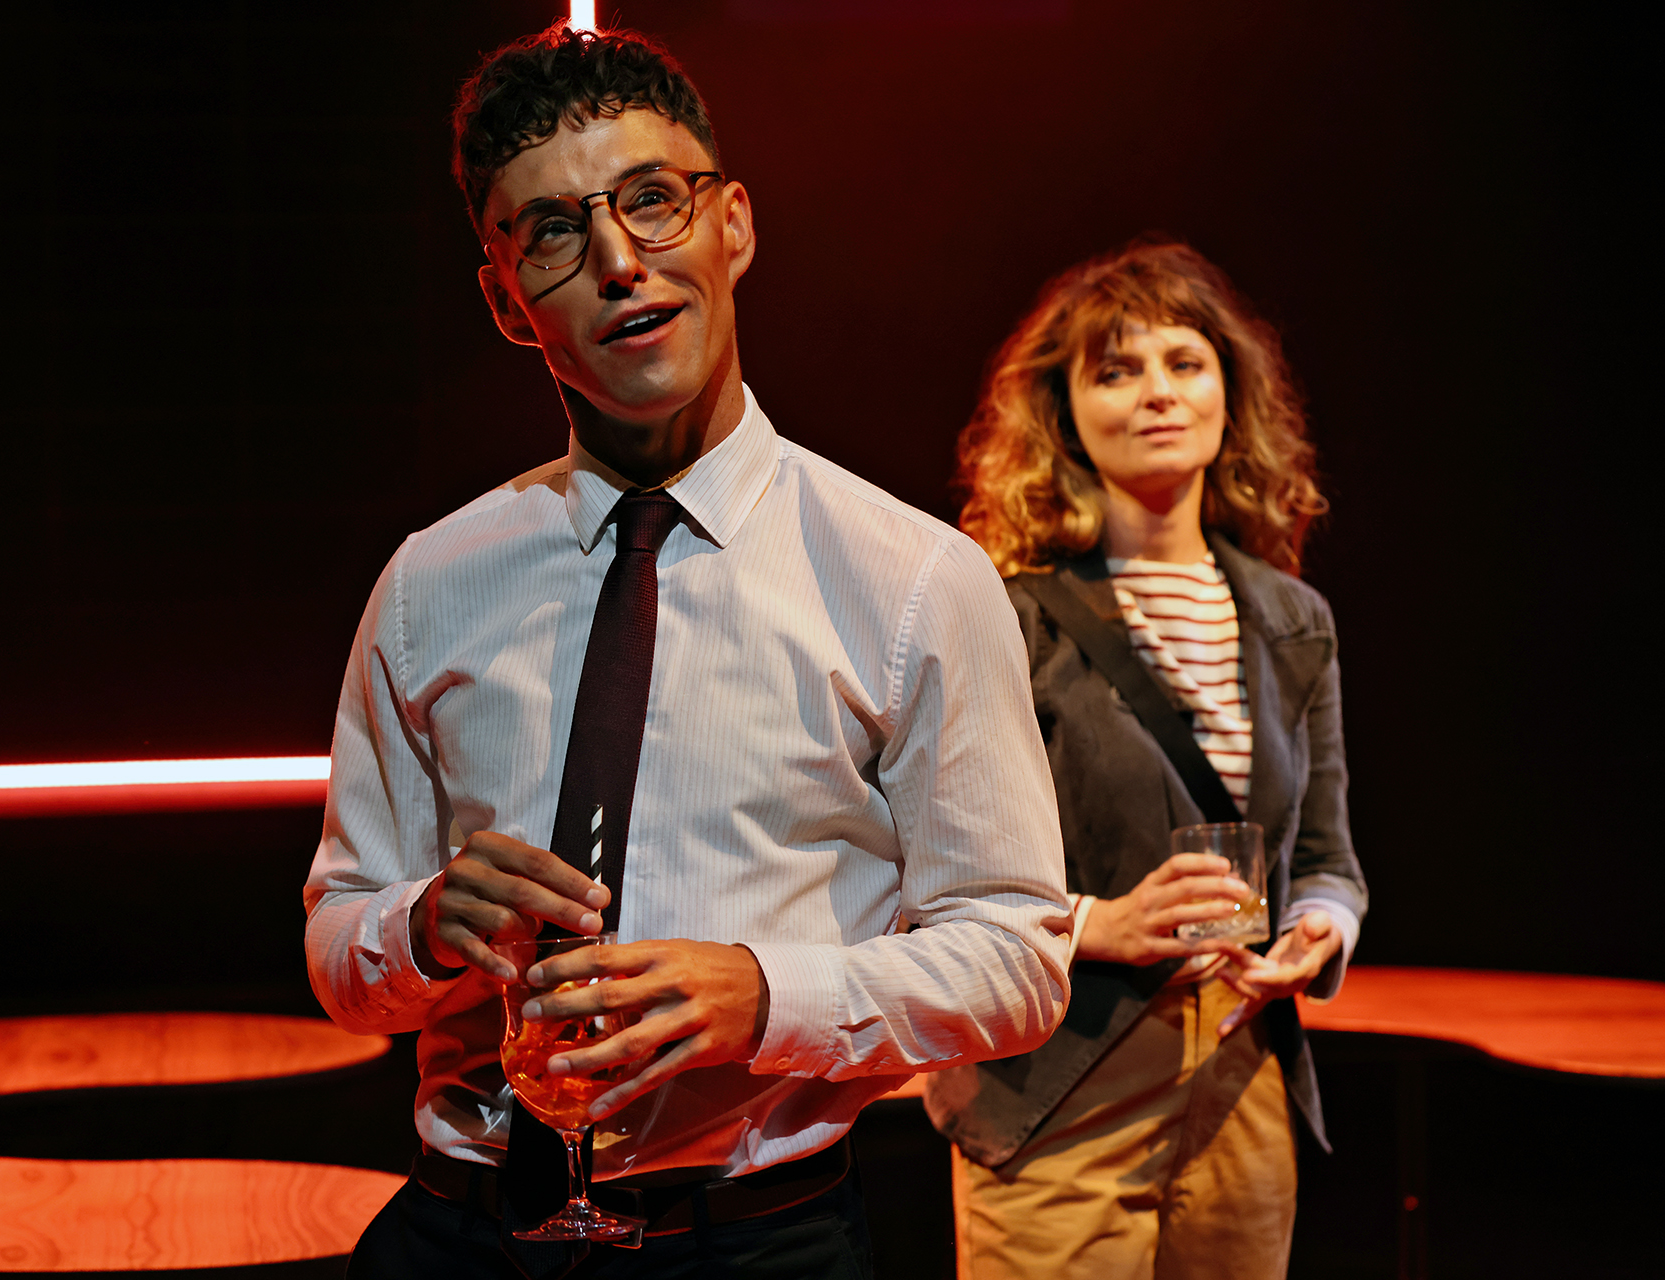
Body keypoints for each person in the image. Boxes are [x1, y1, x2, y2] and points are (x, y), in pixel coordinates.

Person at [302, 24, 1070, 1280]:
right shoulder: (430, 583)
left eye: (653, 200)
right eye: (554, 233)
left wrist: (764, 996)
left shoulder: (913, 578)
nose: (618, 261)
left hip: (753, 1243)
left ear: (734, 225)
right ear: (504, 300)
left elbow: (1018, 958)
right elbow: (342, 952)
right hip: (464, 1229)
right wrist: (427, 924)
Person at [923, 240, 1369, 1279]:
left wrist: (1319, 928)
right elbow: (933, 868)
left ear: (1229, 393)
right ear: (1064, 412)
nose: (1158, 392)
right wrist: (1100, 923)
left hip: (1243, 1075)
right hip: (1059, 1081)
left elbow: (1329, 858)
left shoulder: (1294, 618)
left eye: (1185, 362)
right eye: (1116, 370)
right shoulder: (1009, 613)